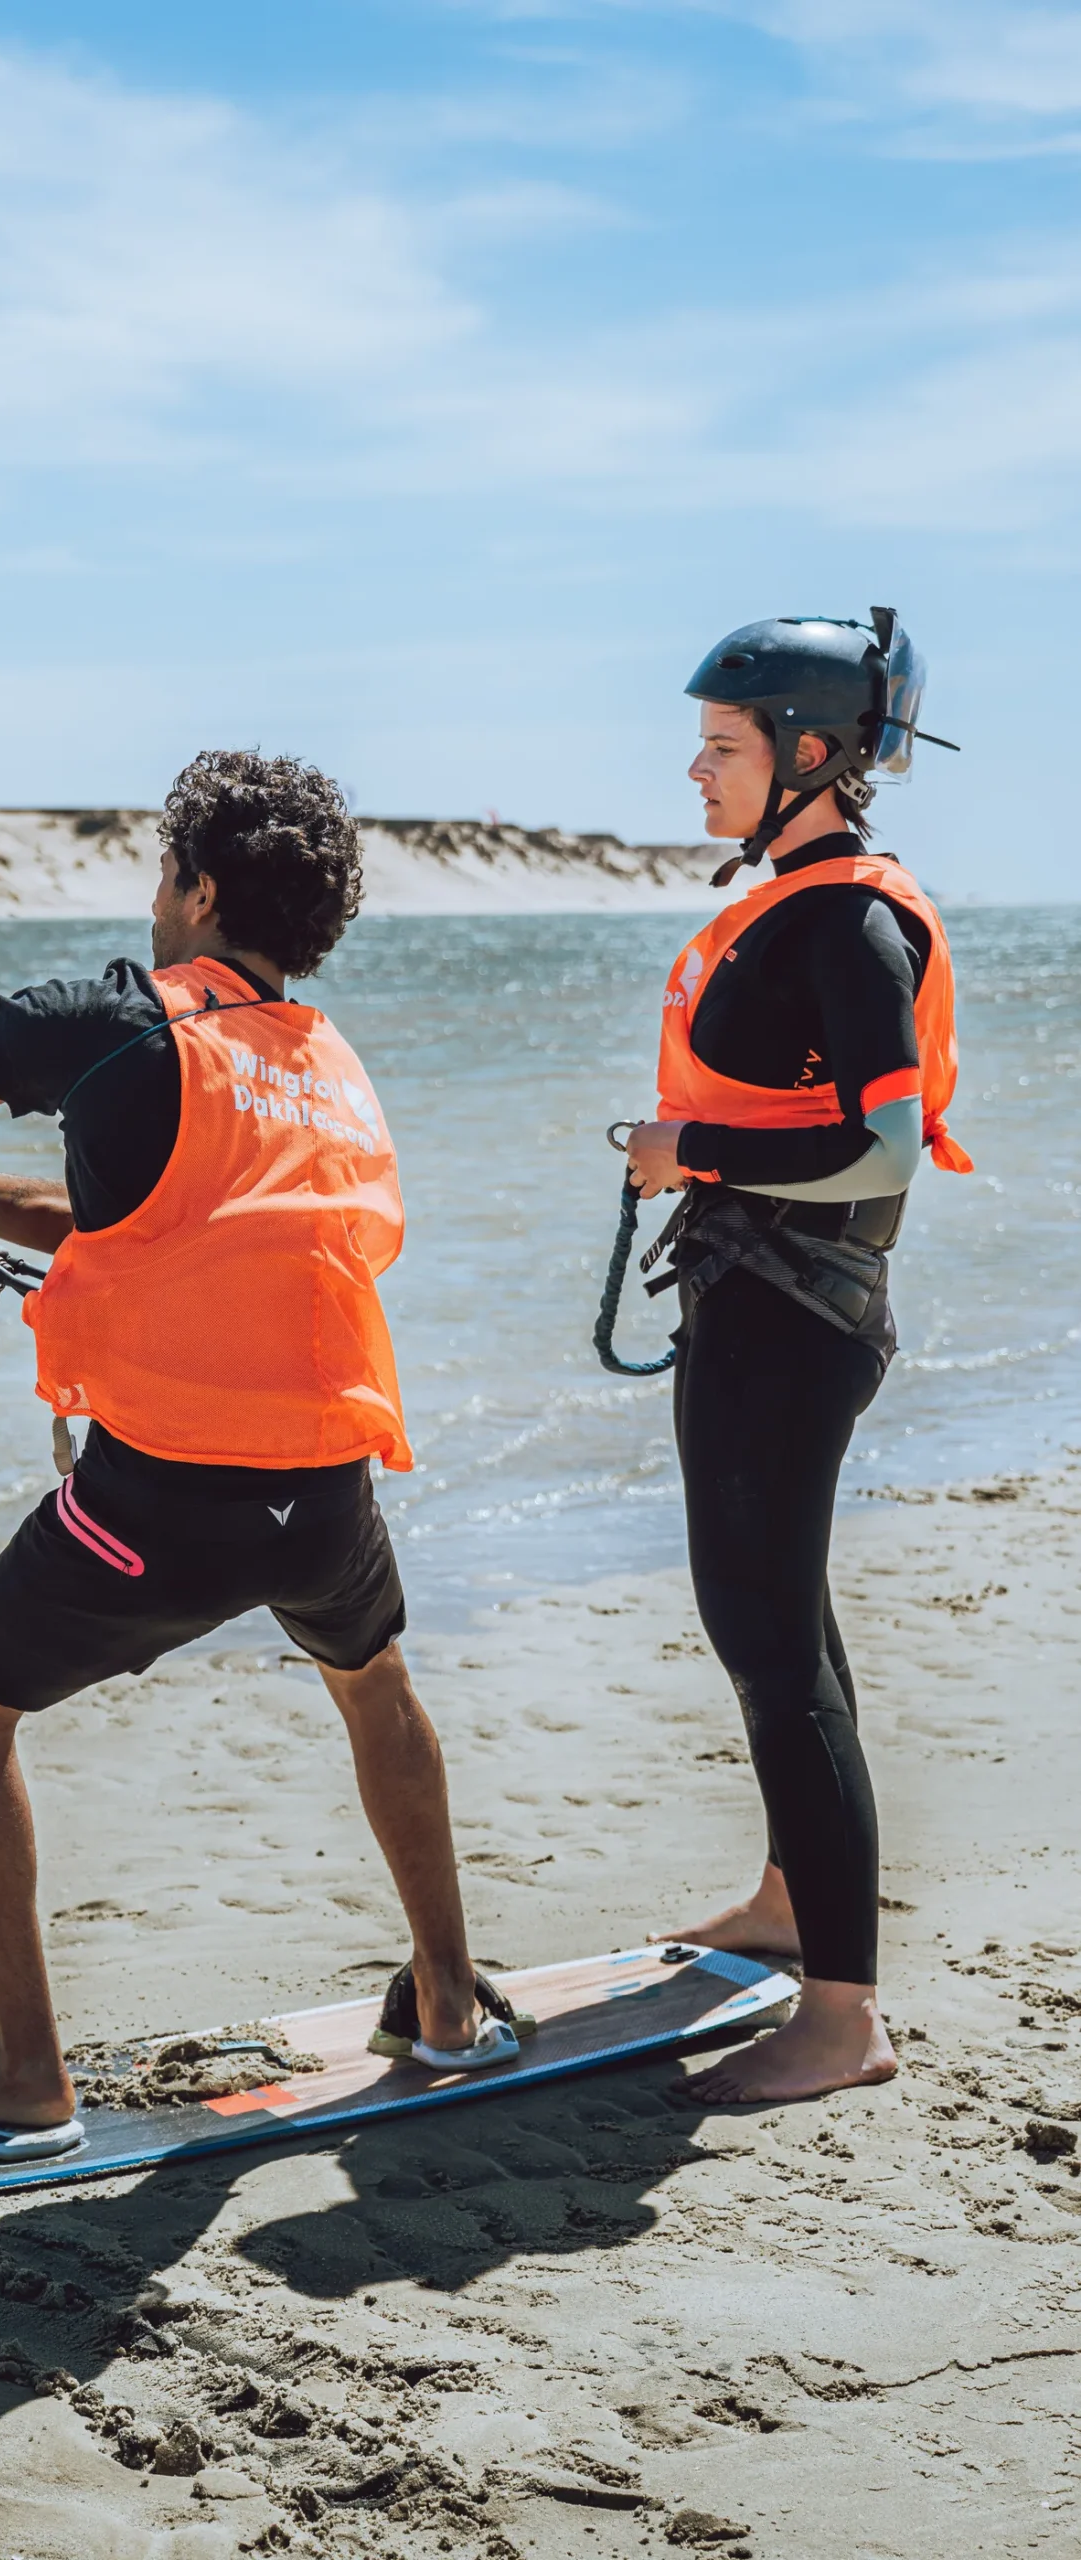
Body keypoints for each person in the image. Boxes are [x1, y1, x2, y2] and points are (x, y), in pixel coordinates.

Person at [0, 751, 521, 2159]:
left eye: (158, 870)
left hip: (160, 1505)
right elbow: (116, 1218)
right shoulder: (319, 1061)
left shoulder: (120, 1021)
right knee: (373, 1685)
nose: (150, 897)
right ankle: (443, 1999)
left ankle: (24, 2077)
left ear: (195, 885)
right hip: (322, 1489)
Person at [624, 611, 969, 2106]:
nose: (693, 769)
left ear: (809, 754)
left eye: (722, 746)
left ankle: (840, 2017)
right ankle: (787, 1901)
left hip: (793, 1324)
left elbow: (881, 1150)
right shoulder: (794, 898)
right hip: (751, 1308)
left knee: (770, 1647)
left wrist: (686, 1145)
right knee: (776, 1634)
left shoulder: (847, 923)